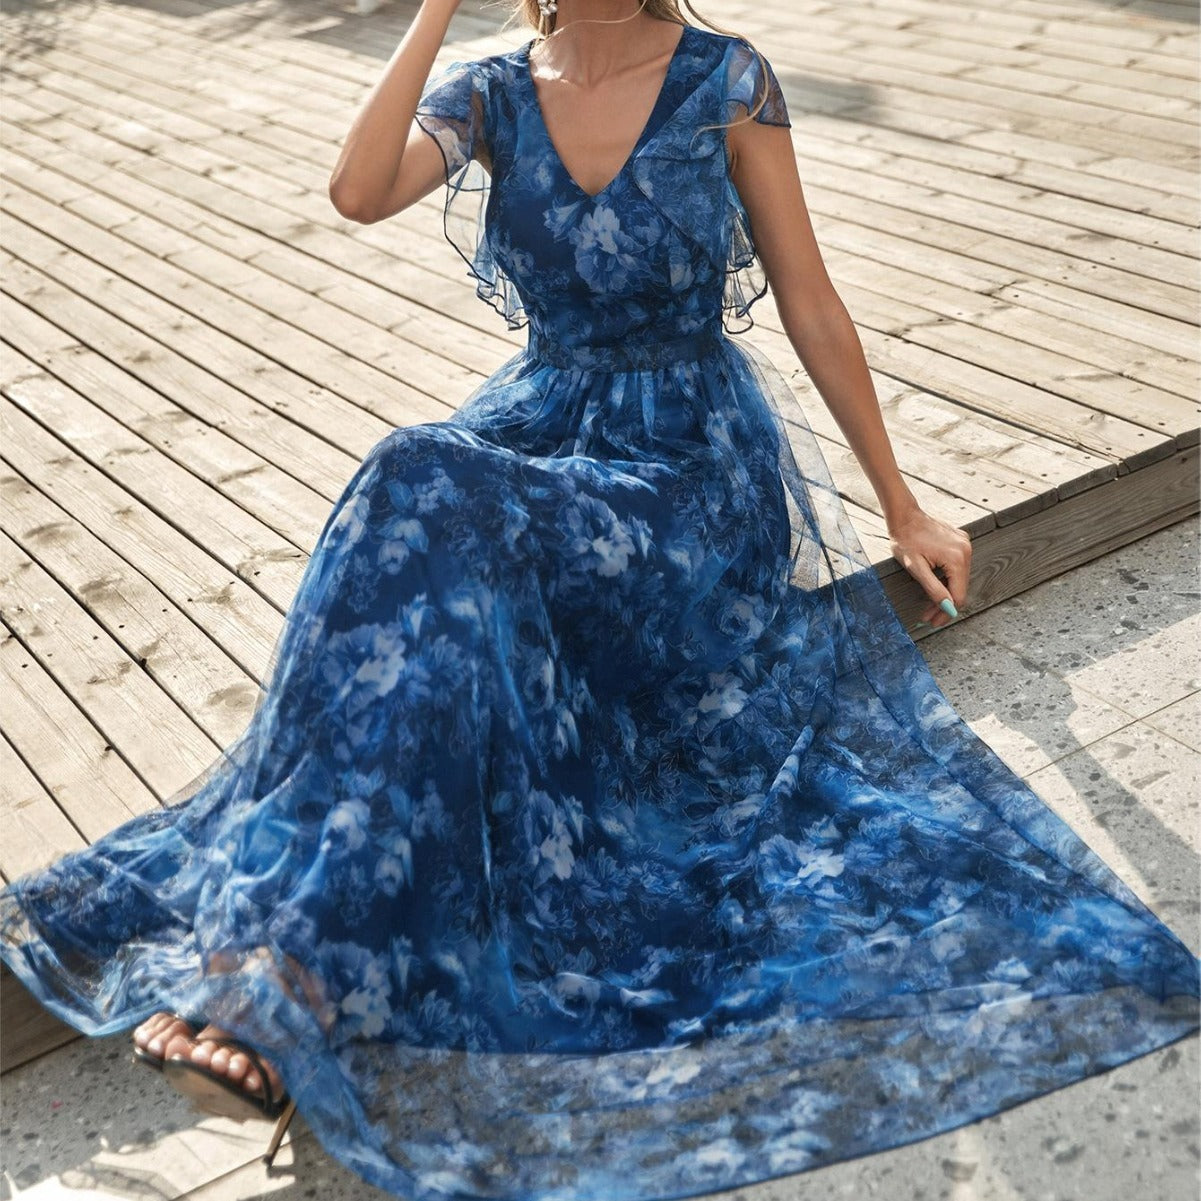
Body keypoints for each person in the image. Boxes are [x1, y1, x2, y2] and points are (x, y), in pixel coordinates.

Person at [2, 0, 1198, 1198]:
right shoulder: (493, 92)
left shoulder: (725, 80)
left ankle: (286, 975)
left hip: (688, 481)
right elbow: (358, 191)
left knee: (425, 489)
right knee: (414, 530)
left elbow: (808, 298)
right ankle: (292, 966)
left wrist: (901, 504)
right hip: (545, 429)